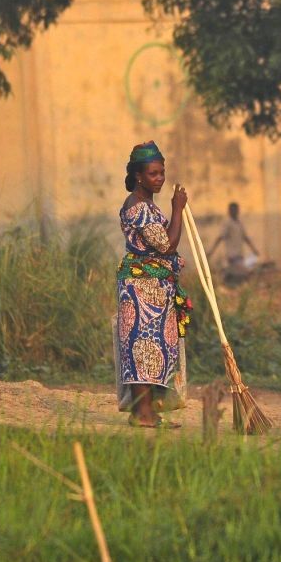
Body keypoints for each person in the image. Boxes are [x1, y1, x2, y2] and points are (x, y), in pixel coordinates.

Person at [115, 141, 190, 429]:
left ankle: (147, 411)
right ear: (138, 176)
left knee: (151, 348)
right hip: (141, 291)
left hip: (154, 290)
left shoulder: (146, 205)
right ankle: (142, 414)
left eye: (162, 173)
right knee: (142, 348)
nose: (159, 179)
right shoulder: (138, 209)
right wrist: (178, 208)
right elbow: (167, 245)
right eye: (153, 174)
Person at [210, 202, 259, 282]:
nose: (234, 211)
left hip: (239, 255)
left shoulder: (239, 223)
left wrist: (254, 250)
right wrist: (212, 251)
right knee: (242, 274)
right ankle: (225, 276)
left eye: (236, 210)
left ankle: (227, 276)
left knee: (246, 269)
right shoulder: (227, 223)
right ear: (229, 211)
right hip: (231, 256)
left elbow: (245, 237)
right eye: (232, 210)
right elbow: (220, 237)